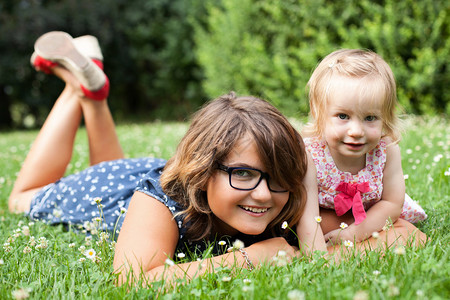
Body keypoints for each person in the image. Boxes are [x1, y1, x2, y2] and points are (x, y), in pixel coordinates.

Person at [9, 32, 327, 285]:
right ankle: (75, 88)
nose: (264, 194)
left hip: (134, 179)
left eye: (279, 177)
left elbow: (362, 233)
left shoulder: (287, 202)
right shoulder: (163, 199)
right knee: (22, 199)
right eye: (243, 174)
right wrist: (249, 258)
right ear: (203, 170)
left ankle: (94, 92)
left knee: (108, 165)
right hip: (110, 192)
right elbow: (131, 279)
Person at [302, 49, 427, 246]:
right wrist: (317, 255)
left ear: (385, 116)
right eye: (343, 116)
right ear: (318, 112)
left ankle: (353, 246)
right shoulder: (311, 154)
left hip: (372, 215)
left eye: (370, 118)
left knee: (408, 233)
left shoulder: (386, 151)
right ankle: (339, 252)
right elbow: (307, 215)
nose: (356, 131)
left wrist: (355, 232)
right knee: (320, 225)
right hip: (322, 215)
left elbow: (392, 203)